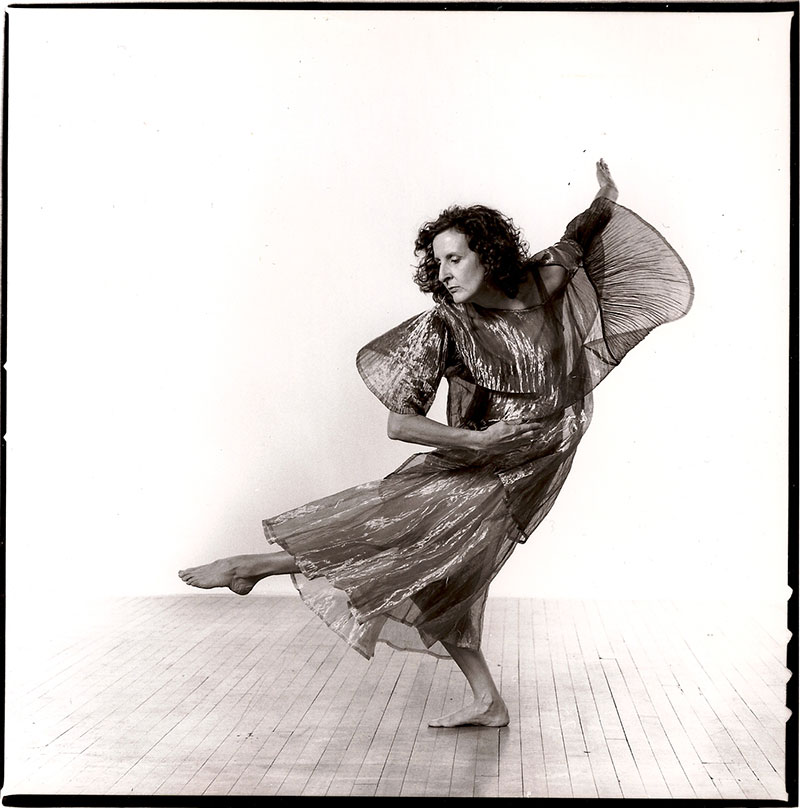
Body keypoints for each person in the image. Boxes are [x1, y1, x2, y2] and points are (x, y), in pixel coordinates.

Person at [179, 160, 693, 728]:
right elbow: (401, 425)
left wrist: (606, 193)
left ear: (488, 254)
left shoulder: (545, 280)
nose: (443, 272)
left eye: (455, 258)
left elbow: (583, 231)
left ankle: (264, 566)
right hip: (491, 458)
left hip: (538, 457)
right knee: (435, 562)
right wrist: (480, 439)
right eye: (437, 262)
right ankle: (269, 567)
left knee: (439, 564)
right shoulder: (446, 325)